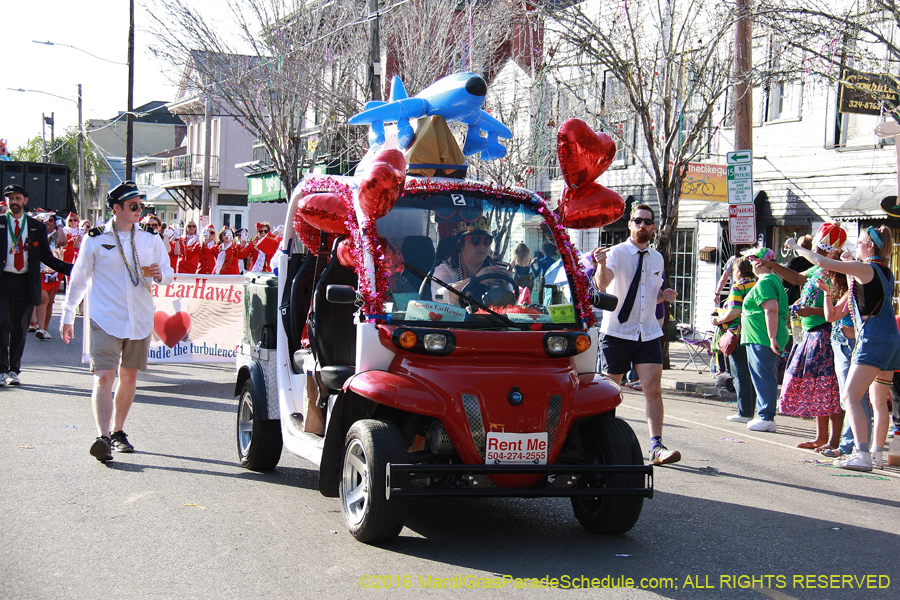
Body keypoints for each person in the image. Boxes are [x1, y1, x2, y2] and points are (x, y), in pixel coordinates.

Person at [60, 181, 175, 462]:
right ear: (116, 208)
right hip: (105, 318)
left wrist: (160, 274)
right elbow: (79, 279)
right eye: (133, 205)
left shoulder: (150, 237)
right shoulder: (96, 239)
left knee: (129, 376)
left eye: (140, 205)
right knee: (104, 375)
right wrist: (67, 314)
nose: (139, 210)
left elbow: (169, 272)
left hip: (139, 318)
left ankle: (117, 431)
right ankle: (102, 437)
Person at [786, 226, 900, 470]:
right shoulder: (886, 272)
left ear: (870, 246)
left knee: (849, 397)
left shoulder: (866, 268)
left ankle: (862, 454)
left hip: (873, 339)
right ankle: (875, 454)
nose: (856, 246)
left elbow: (822, 261)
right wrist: (848, 266)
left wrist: (796, 247)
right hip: (891, 339)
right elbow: (859, 295)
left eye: (859, 242)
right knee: (878, 401)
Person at [592, 204, 680, 465]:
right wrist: (601, 264)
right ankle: (601, 445)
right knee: (610, 391)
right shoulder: (617, 253)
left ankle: (656, 446)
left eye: (648, 222)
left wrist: (663, 296)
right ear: (630, 224)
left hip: (647, 332)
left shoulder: (657, 258)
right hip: (617, 332)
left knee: (653, 387)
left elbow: (649, 296)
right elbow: (602, 284)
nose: (643, 225)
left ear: (653, 228)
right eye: (638, 221)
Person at [753, 224, 846, 450]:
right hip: (810, 335)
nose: (815, 253)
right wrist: (773, 265)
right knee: (819, 388)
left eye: (819, 250)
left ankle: (834, 440)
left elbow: (838, 311)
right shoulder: (816, 270)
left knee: (830, 388)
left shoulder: (838, 272)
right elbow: (796, 278)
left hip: (825, 334)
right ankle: (821, 437)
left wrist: (810, 310)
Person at [0, 185, 73, 387]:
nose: (14, 202)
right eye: (10, 198)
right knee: (2, 323)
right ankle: (1, 369)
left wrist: (75, 270)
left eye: (18, 198)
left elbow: (47, 257)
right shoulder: (0, 223)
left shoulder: (36, 227)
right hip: (3, 282)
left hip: (25, 283)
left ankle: (13, 370)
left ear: (25, 201)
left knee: (19, 328)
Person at [816, 257, 871, 460]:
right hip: (847, 345)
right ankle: (854, 445)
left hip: (848, 346)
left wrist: (826, 293)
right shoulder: (857, 293)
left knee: (853, 399)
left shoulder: (853, 293)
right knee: (853, 398)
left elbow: (830, 316)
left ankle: (853, 446)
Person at [742, 247, 790, 433]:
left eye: (752, 259)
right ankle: (764, 414)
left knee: (764, 376)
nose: (750, 263)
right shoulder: (772, 280)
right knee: (763, 375)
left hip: (762, 336)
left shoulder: (765, 282)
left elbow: (771, 309)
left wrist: (771, 337)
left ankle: (766, 416)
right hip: (760, 336)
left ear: (759, 262)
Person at [711, 256, 757, 422]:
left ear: (739, 271)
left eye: (733, 271)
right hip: (756, 333)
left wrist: (719, 319)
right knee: (752, 374)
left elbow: (734, 311)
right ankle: (754, 409)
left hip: (738, 333)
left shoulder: (739, 287)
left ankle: (744, 412)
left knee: (739, 373)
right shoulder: (758, 284)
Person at [431, 228, 511, 305]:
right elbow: (438, 297)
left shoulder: (496, 270)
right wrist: (475, 280)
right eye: (475, 240)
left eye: (487, 241)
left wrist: (504, 286)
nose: (482, 246)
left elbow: (509, 306)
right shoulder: (445, 270)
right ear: (461, 244)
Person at [31, 212, 67, 340]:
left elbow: (63, 242)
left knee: (50, 302)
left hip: (54, 272)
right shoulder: (36, 233)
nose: (47, 222)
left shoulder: (57, 235)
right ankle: (40, 328)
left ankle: (45, 329)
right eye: (45, 220)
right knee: (43, 298)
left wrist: (60, 226)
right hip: (39, 271)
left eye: (51, 220)